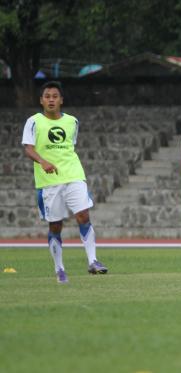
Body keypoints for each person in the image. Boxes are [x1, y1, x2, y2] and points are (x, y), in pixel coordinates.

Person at [21, 81, 108, 284]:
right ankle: (59, 269)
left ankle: (93, 261)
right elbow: (28, 148)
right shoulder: (33, 121)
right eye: (47, 96)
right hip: (49, 182)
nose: (51, 100)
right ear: (41, 100)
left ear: (61, 100)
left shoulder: (72, 122)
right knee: (55, 225)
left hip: (73, 174)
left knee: (83, 215)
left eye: (55, 96)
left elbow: (70, 147)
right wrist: (42, 161)